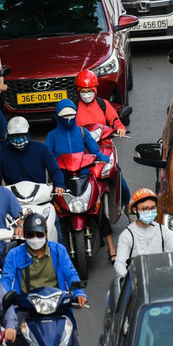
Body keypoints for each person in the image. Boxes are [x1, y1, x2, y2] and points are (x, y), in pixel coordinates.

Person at [0, 213, 88, 346]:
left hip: (58, 308)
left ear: (46, 232)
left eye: (39, 234)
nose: (35, 238)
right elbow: (6, 279)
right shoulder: (14, 255)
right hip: (26, 309)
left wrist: (79, 293)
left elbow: (71, 274)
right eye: (30, 234)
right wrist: (6, 299)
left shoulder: (58, 250)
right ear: (24, 235)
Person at [45, 99, 116, 260]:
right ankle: (57, 254)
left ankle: (112, 247)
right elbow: (46, 157)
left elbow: (95, 151)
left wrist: (105, 158)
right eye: (65, 116)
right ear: (58, 117)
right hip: (62, 180)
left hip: (84, 176)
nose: (68, 119)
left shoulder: (82, 132)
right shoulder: (52, 136)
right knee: (57, 215)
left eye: (72, 115)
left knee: (97, 211)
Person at [113, 189, 173, 278]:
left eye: (153, 208)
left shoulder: (162, 231)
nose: (150, 211)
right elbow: (119, 264)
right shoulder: (127, 235)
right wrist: (129, 280)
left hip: (162, 278)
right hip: (138, 279)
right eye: (145, 209)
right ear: (135, 210)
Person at [0, 117, 64, 191]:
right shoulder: (1, 155)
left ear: (28, 133)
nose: (18, 140)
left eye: (22, 135)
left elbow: (55, 170)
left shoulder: (41, 149)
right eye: (14, 136)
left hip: (41, 196)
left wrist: (59, 184)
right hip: (14, 198)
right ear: (8, 136)